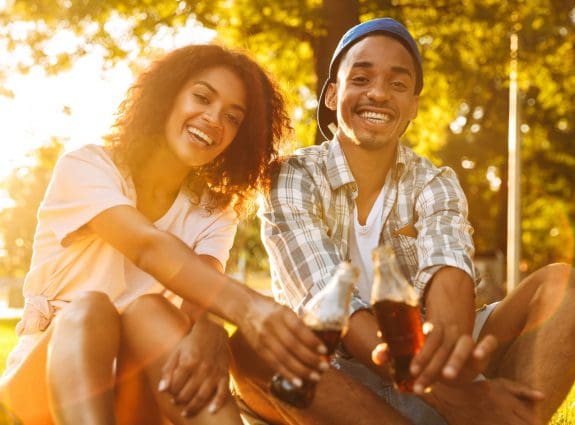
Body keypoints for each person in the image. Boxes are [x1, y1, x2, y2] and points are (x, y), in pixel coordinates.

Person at [229, 17, 575, 425]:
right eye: (361, 78)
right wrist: (458, 399)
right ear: (332, 94)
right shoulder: (292, 176)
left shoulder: (434, 181)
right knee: (252, 347)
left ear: (413, 106)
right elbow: (325, 299)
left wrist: (449, 368)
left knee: (562, 285)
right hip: (335, 374)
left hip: (428, 356)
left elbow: (449, 267)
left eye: (397, 84)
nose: (377, 93)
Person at [0, 43, 329, 425]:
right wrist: (251, 309)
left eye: (233, 117)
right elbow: (147, 246)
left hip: (134, 398)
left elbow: (199, 299)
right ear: (168, 95)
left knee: (150, 312)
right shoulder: (87, 167)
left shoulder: (215, 209)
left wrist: (212, 331)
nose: (213, 119)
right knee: (91, 309)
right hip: (37, 394)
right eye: (202, 98)